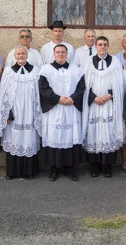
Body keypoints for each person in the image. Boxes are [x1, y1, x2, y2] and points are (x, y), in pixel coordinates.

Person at [39, 44, 85, 181]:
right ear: (54, 54)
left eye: (63, 52)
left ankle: (71, 168)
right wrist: (58, 99)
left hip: (71, 108)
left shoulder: (76, 71)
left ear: (67, 54)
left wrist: (73, 98)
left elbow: (81, 88)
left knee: (70, 137)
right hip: (54, 109)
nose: (60, 54)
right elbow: (43, 89)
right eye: (58, 52)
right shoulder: (45, 70)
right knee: (55, 137)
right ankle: (54, 169)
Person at [0, 46, 42, 179]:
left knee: (29, 138)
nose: (21, 56)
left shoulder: (35, 71)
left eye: (23, 53)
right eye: (18, 54)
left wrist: (37, 111)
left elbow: (38, 94)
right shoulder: (9, 72)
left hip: (30, 111)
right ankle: (12, 172)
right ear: (14, 56)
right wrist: (6, 112)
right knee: (14, 138)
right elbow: (3, 93)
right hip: (14, 111)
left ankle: (29, 171)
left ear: (27, 55)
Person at [82, 36, 125, 178]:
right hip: (93, 104)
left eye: (105, 44)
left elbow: (119, 84)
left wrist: (109, 95)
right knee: (94, 132)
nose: (102, 47)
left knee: (108, 131)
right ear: (95, 46)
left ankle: (107, 166)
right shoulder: (88, 62)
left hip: (109, 104)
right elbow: (83, 83)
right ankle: (94, 166)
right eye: (100, 44)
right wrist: (93, 97)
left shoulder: (115, 62)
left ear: (108, 46)